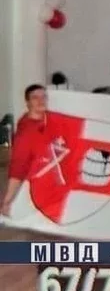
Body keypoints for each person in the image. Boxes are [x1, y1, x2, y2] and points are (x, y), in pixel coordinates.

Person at [1, 85, 72, 216]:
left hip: (62, 188)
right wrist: (7, 201)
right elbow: (18, 168)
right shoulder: (26, 134)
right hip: (41, 191)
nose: (41, 101)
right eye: (35, 98)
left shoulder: (53, 121)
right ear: (28, 103)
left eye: (44, 97)